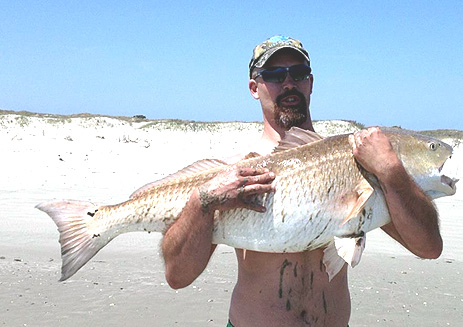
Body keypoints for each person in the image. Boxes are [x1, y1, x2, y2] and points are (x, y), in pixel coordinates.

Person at [161, 35, 442, 327]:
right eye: (273, 75)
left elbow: (428, 247)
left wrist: (392, 172)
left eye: (298, 73)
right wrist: (201, 201)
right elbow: (178, 276)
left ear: (310, 82)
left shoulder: (359, 161)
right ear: (254, 88)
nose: (288, 83)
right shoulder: (233, 172)